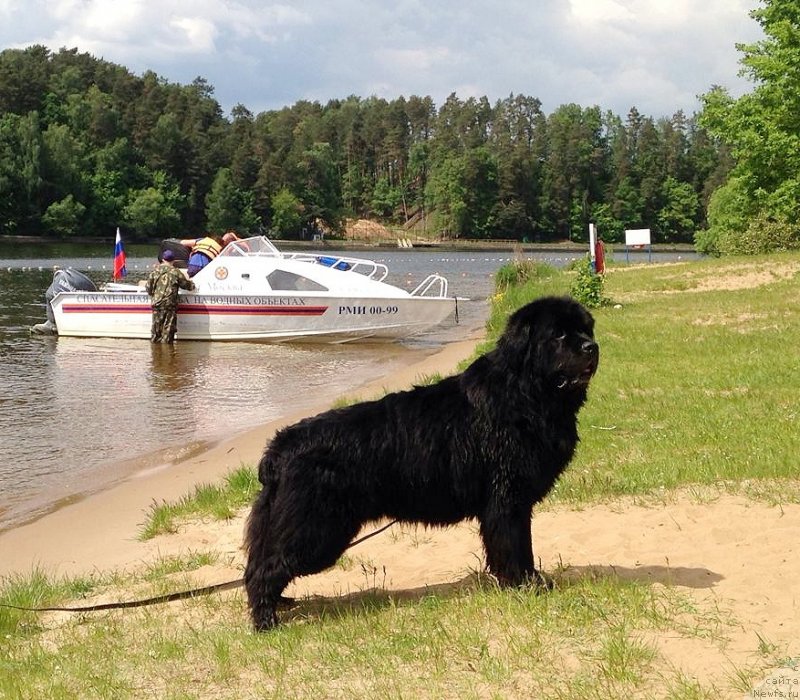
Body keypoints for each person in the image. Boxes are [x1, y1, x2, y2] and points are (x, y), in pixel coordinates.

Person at [145, 249, 195, 343]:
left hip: (157, 304)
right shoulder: (175, 272)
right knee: (167, 333)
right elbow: (187, 286)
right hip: (169, 305)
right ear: (173, 260)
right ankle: (167, 355)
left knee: (156, 332)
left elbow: (148, 288)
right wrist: (193, 283)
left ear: (163, 259)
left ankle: (156, 354)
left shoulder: (155, 272)